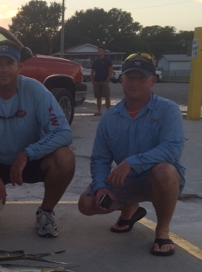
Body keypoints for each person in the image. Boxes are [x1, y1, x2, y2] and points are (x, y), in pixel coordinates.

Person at [0, 40, 75, 237]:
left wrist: (28, 153)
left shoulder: (36, 91)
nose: (4, 69)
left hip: (29, 160)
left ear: (19, 66)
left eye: (9, 63)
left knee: (65, 157)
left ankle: (46, 212)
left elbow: (63, 132)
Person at [78, 53, 185, 256]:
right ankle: (130, 211)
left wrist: (130, 163)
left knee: (165, 171)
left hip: (159, 180)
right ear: (121, 79)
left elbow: (172, 149)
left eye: (141, 78)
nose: (135, 83)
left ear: (153, 81)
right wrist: (100, 186)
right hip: (125, 182)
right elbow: (100, 158)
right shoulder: (109, 117)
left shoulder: (168, 109)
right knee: (87, 203)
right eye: (130, 77)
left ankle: (162, 231)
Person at [90, 46, 113, 116]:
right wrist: (92, 81)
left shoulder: (107, 61)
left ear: (104, 52)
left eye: (100, 51)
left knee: (107, 96)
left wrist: (107, 79)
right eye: (98, 51)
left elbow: (110, 70)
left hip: (104, 81)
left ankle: (108, 111)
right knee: (98, 97)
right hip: (97, 81)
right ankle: (99, 111)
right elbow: (92, 72)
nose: (99, 52)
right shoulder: (95, 62)